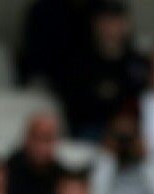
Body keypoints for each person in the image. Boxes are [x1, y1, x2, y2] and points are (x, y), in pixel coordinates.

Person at [57, 0, 148, 139]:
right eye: (106, 22)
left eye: (117, 22)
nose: (111, 28)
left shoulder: (138, 62)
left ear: (126, 25)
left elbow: (144, 99)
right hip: (93, 128)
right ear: (95, 25)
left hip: (133, 129)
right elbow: (76, 104)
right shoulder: (79, 62)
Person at [6, 113, 65, 194]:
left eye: (48, 139)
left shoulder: (62, 177)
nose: (41, 146)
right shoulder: (6, 172)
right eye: (37, 137)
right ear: (26, 138)